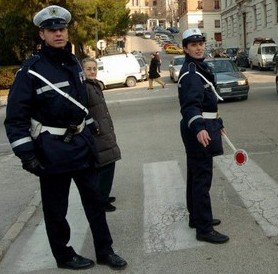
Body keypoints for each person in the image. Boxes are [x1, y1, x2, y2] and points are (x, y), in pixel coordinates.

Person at [4, 5, 127, 270]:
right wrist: (27, 155)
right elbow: (15, 119)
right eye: (52, 30)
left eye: (62, 29)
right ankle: (64, 255)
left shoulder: (73, 63)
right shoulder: (30, 72)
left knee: (96, 202)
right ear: (42, 35)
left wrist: (93, 128)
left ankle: (105, 251)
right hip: (52, 150)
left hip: (82, 145)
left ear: (67, 31)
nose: (58, 34)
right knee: (56, 210)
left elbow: (81, 103)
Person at [178, 28, 229, 244]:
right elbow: (190, 105)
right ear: (186, 48)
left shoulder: (198, 67)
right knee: (202, 180)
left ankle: (196, 218)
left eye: (201, 43)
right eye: (193, 45)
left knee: (194, 176)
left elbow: (208, 101)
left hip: (206, 125)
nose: (199, 48)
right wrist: (200, 128)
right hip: (199, 129)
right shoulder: (191, 73)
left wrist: (218, 124)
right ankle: (204, 229)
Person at [82, 57, 121, 212]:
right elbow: (82, 110)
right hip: (96, 134)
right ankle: (101, 200)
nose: (92, 71)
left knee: (105, 165)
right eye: (88, 69)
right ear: (82, 71)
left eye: (94, 68)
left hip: (103, 132)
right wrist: (94, 126)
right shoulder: (84, 87)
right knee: (105, 166)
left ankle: (102, 195)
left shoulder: (94, 85)